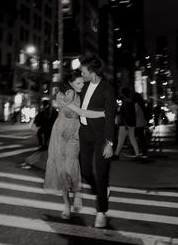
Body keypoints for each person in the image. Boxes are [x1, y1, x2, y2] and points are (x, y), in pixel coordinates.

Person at [44, 69, 105, 220]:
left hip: (74, 133)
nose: (81, 85)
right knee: (61, 169)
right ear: (70, 83)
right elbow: (77, 112)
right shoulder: (61, 95)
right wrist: (104, 113)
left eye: (82, 83)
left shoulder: (82, 93)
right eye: (78, 83)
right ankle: (66, 204)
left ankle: (77, 192)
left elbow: (86, 109)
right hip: (59, 132)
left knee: (70, 165)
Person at [78, 54, 115, 228]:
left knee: (101, 174)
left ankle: (101, 212)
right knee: (85, 171)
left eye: (83, 71)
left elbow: (110, 117)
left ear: (91, 72)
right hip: (85, 133)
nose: (81, 73)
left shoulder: (107, 89)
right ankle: (101, 191)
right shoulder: (84, 86)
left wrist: (109, 143)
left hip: (101, 136)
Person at [113, 87, 140, 160]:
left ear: (123, 94)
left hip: (125, 123)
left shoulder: (125, 102)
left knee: (121, 139)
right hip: (131, 123)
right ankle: (137, 154)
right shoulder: (131, 101)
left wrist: (125, 123)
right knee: (132, 138)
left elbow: (124, 113)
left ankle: (116, 155)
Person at [134, 92, 149, 157]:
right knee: (141, 138)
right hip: (142, 122)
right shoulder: (141, 103)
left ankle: (142, 152)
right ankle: (143, 152)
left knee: (138, 137)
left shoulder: (136, 104)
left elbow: (135, 114)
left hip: (138, 123)